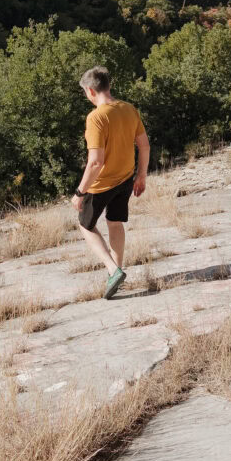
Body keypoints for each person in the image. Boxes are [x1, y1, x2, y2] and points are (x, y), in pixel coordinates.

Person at [71, 65, 150, 299]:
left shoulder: (96, 117)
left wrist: (79, 192)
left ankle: (113, 270)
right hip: (126, 178)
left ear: (90, 91)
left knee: (85, 225)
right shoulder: (128, 109)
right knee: (115, 222)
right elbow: (144, 145)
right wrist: (141, 175)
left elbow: (95, 162)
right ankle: (115, 275)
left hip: (101, 184)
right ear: (108, 86)